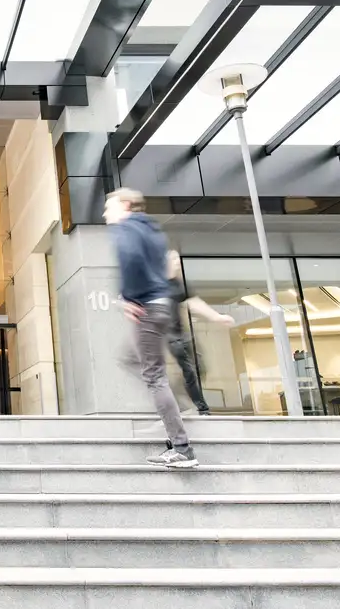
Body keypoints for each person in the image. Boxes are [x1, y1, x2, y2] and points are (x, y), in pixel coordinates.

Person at [105, 188, 197, 469]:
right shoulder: (152, 229)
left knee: (154, 377)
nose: (106, 213)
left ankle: (182, 448)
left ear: (126, 205)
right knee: (131, 358)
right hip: (161, 305)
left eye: (109, 207)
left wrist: (128, 298)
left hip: (146, 307)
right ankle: (173, 407)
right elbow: (162, 268)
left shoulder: (127, 229)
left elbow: (130, 258)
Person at [165, 250, 235, 417]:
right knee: (189, 370)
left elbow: (194, 303)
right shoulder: (156, 284)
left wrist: (217, 317)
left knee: (200, 367)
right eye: (174, 259)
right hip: (170, 337)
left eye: (178, 259)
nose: (177, 263)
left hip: (182, 334)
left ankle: (180, 395)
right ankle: (201, 409)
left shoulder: (177, 284)